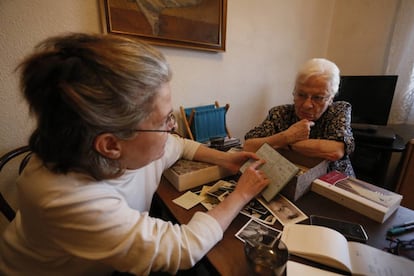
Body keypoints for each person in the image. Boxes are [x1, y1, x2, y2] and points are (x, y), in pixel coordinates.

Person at [0, 33, 270, 275]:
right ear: (110, 145)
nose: (173, 126)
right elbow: (183, 249)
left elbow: (178, 145)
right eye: (165, 121)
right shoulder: (66, 199)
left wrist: (224, 158)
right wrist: (241, 195)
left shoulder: (123, 147)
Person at [244, 58, 355, 177]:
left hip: (334, 182)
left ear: (331, 99)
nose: (307, 105)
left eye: (318, 97)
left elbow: (335, 151)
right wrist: (285, 137)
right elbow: (249, 146)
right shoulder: (280, 113)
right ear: (294, 92)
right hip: (290, 179)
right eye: (301, 95)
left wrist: (284, 143)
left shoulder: (338, 110)